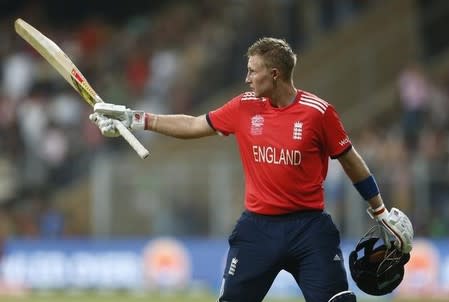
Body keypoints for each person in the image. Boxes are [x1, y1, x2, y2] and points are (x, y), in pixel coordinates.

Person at [90, 37, 413, 302]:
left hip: (310, 229)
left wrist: (380, 210)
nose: (247, 78)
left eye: (252, 71)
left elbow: (350, 158)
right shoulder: (244, 106)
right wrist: (136, 119)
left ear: (274, 74)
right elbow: (193, 124)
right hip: (258, 230)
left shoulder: (318, 113)